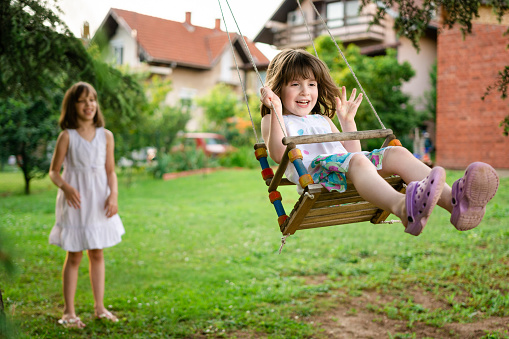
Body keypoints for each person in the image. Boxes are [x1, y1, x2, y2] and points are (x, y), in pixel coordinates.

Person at [260, 49, 499, 236]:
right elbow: (279, 155)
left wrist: (348, 123)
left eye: (311, 84)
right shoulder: (274, 118)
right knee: (357, 162)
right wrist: (278, 111)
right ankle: (403, 208)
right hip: (318, 174)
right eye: (295, 84)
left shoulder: (321, 119)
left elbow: (353, 151)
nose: (305, 92)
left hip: (346, 165)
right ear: (278, 87)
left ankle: (457, 204)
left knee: (397, 153)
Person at [48, 82, 125, 328]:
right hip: (76, 201)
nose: (88, 104)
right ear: (73, 106)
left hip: (99, 200)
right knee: (74, 255)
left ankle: (99, 308)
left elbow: (111, 171)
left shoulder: (106, 136)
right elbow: (53, 172)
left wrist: (113, 196)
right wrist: (66, 187)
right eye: (82, 100)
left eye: (92, 99)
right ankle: (69, 312)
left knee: (97, 252)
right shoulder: (67, 137)